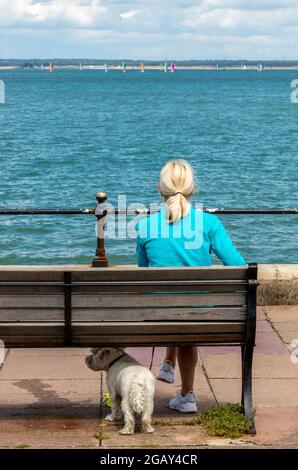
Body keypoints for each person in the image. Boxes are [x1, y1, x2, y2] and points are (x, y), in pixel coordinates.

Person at [135, 159, 246, 413]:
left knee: (172, 301)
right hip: (199, 315)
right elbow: (237, 265)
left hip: (158, 315)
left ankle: (169, 367)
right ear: (192, 188)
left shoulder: (144, 226)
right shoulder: (209, 224)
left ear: (159, 189)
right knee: (188, 305)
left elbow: (143, 274)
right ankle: (186, 394)